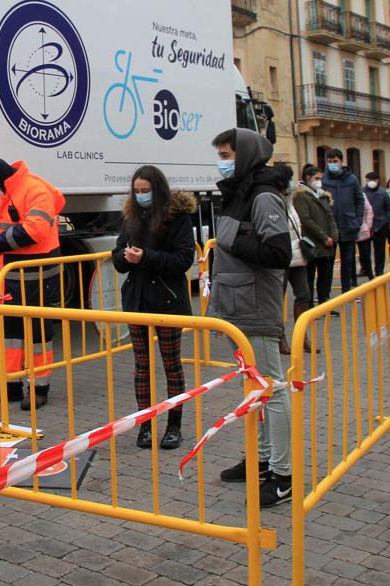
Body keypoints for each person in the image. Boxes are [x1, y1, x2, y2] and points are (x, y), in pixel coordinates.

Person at [206, 129, 294, 508]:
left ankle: (282, 474)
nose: (222, 161)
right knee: (254, 389)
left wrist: (230, 239)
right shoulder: (241, 193)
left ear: (244, 156)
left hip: (255, 307)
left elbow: (279, 253)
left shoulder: (262, 195)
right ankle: (259, 461)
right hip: (236, 306)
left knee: (271, 390)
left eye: (227, 154)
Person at [111, 166, 196, 450]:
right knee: (141, 368)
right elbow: (117, 255)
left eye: (146, 191)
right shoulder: (131, 217)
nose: (141, 195)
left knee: (172, 366)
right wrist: (124, 256)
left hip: (168, 302)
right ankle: (144, 425)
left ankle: (174, 425)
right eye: (137, 191)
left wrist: (146, 257)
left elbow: (183, 260)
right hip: (137, 301)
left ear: (158, 190)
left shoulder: (178, 218)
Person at [0, 158, 65, 410]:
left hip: (37, 277)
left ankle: (39, 389)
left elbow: (34, 230)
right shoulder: (10, 189)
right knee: (9, 336)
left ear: (0, 178)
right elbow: (2, 209)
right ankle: (10, 386)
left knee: (37, 335)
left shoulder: (36, 189)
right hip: (10, 277)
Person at [273, 164, 312, 355]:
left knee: (304, 295)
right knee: (277, 300)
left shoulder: (291, 200)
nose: (292, 182)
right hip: (281, 259)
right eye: (289, 178)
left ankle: (302, 336)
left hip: (298, 257)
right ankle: (280, 338)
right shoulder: (273, 201)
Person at [292, 165, 337, 312]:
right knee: (309, 276)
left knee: (326, 275)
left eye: (320, 179)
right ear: (308, 178)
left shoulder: (323, 195)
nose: (319, 182)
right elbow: (306, 219)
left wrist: (333, 236)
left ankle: (324, 303)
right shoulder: (301, 196)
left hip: (327, 243)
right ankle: (310, 306)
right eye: (317, 178)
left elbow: (330, 216)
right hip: (311, 242)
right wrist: (323, 237)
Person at [321, 150, 364, 296]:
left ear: (341, 161)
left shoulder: (352, 179)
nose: (333, 164)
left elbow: (359, 200)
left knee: (347, 262)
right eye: (330, 161)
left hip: (348, 225)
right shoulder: (323, 179)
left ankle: (346, 292)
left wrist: (357, 220)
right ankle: (325, 294)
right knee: (328, 263)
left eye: (335, 161)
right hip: (330, 228)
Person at [359, 172, 390, 278]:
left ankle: (379, 270)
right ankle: (365, 269)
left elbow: (389, 208)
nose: (371, 182)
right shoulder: (361, 192)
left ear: (378, 181)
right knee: (364, 251)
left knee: (379, 249)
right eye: (368, 180)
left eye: (373, 180)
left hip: (380, 225)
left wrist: (385, 220)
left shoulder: (383, 193)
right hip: (365, 226)